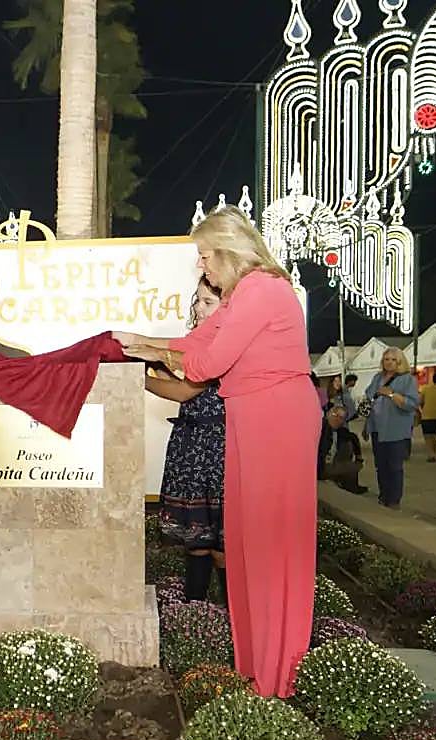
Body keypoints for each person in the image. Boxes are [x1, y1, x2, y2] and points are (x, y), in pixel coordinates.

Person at [116, 206, 318, 699]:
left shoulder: (263, 289)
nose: (202, 267)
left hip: (278, 417)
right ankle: (255, 667)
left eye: (205, 257)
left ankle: (278, 675)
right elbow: (194, 339)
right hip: (252, 416)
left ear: (230, 251)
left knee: (272, 547)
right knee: (247, 543)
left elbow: (206, 362)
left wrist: (154, 353)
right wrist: (140, 342)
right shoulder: (239, 294)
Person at [143, 278, 226, 601]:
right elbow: (182, 388)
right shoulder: (198, 343)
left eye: (208, 303)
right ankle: (195, 611)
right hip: (192, 445)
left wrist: (139, 379)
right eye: (197, 301)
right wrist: (154, 367)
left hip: (216, 449)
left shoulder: (224, 343)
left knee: (221, 546)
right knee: (197, 543)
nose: (199, 308)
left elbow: (185, 390)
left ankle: (231, 618)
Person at [363, 347, 419, 509]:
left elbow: (412, 404)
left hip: (396, 430)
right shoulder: (377, 378)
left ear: (400, 361)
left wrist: (392, 395)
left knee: (394, 466)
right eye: (386, 359)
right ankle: (383, 495)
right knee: (380, 466)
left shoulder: (407, 379)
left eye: (393, 359)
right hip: (377, 429)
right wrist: (367, 425)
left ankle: (394, 500)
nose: (389, 362)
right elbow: (369, 400)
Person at [318, 405, 367, 494]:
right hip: (321, 466)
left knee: (348, 445)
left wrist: (359, 456)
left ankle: (349, 484)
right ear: (328, 414)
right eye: (335, 415)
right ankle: (349, 485)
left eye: (341, 418)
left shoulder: (341, 431)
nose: (337, 419)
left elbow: (354, 438)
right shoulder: (321, 428)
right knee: (354, 466)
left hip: (333, 462)